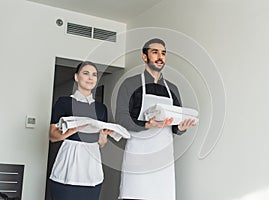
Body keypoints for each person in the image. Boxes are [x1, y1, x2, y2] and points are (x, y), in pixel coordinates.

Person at [116, 38, 196, 200]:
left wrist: (181, 128)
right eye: (155, 52)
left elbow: (175, 124)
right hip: (138, 155)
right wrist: (147, 124)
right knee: (135, 195)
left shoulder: (172, 89)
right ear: (144, 57)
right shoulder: (130, 84)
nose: (160, 56)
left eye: (163, 53)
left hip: (163, 157)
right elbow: (121, 118)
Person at [48, 61, 112, 200]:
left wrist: (103, 136)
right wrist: (76, 127)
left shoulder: (102, 108)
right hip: (69, 161)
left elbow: (101, 144)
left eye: (94, 75)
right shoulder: (64, 102)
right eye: (86, 73)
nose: (90, 78)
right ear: (76, 77)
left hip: (92, 164)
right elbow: (52, 136)